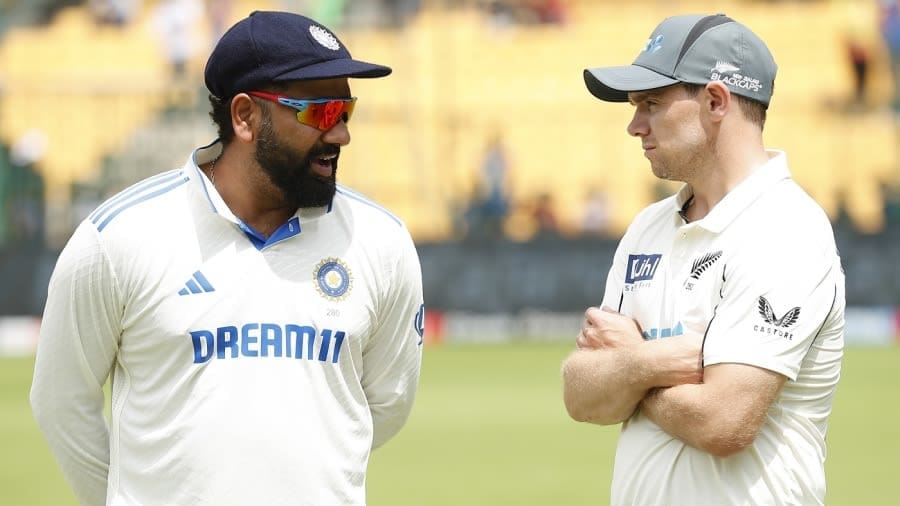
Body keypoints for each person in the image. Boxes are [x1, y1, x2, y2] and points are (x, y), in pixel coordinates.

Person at [30, 11, 425, 506]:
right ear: (244, 116)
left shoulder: (381, 241)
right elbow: (60, 402)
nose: (341, 134)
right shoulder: (116, 239)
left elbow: (384, 405)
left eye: (346, 111)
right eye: (319, 113)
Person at [561, 13, 845, 506]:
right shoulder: (648, 227)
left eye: (651, 103)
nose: (634, 125)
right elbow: (580, 395)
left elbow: (723, 422)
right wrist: (655, 361)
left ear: (716, 101)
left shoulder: (785, 229)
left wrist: (629, 369)